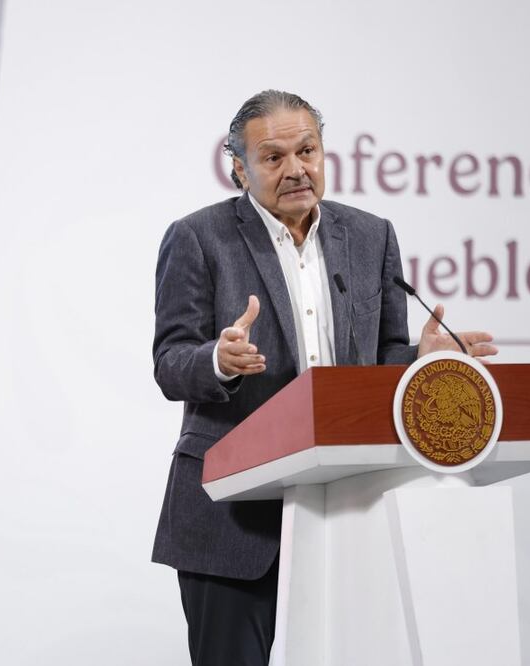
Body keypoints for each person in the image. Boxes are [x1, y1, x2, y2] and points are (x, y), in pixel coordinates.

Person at [150, 90, 498, 666]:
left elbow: (382, 354)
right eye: (273, 157)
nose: (295, 169)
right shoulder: (197, 238)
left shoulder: (370, 236)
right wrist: (218, 359)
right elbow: (170, 360)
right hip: (233, 510)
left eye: (307, 150)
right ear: (238, 166)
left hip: (347, 501)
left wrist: (418, 360)